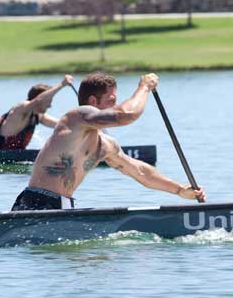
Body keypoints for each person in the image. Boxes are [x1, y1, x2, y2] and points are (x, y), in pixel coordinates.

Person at [11, 72, 205, 211]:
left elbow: (140, 172)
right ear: (93, 102)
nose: (115, 104)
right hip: (35, 203)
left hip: (64, 207)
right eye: (111, 100)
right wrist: (144, 87)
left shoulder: (106, 145)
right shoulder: (77, 116)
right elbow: (127, 114)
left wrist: (179, 190)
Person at [0, 75, 74, 151]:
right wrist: (62, 84)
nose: (50, 106)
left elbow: (63, 125)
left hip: (16, 159)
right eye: (49, 101)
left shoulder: (38, 116)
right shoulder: (20, 109)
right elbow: (38, 100)